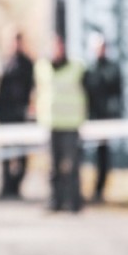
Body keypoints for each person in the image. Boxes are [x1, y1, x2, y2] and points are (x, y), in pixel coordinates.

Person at [34, 34, 86, 213]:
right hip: (51, 123)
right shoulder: (42, 67)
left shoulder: (76, 67)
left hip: (71, 123)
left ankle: (73, 202)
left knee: (72, 166)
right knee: (53, 167)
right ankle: (55, 200)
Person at [81, 32, 122, 203]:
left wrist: (112, 113)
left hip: (104, 119)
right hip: (89, 119)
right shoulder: (88, 70)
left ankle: (99, 191)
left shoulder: (112, 69)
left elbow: (117, 93)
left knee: (103, 156)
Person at [0, 28, 34, 199]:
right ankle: (5, 185)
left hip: (20, 115)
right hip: (5, 114)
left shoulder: (28, 64)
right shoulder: (4, 62)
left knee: (22, 154)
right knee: (5, 154)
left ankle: (16, 185)